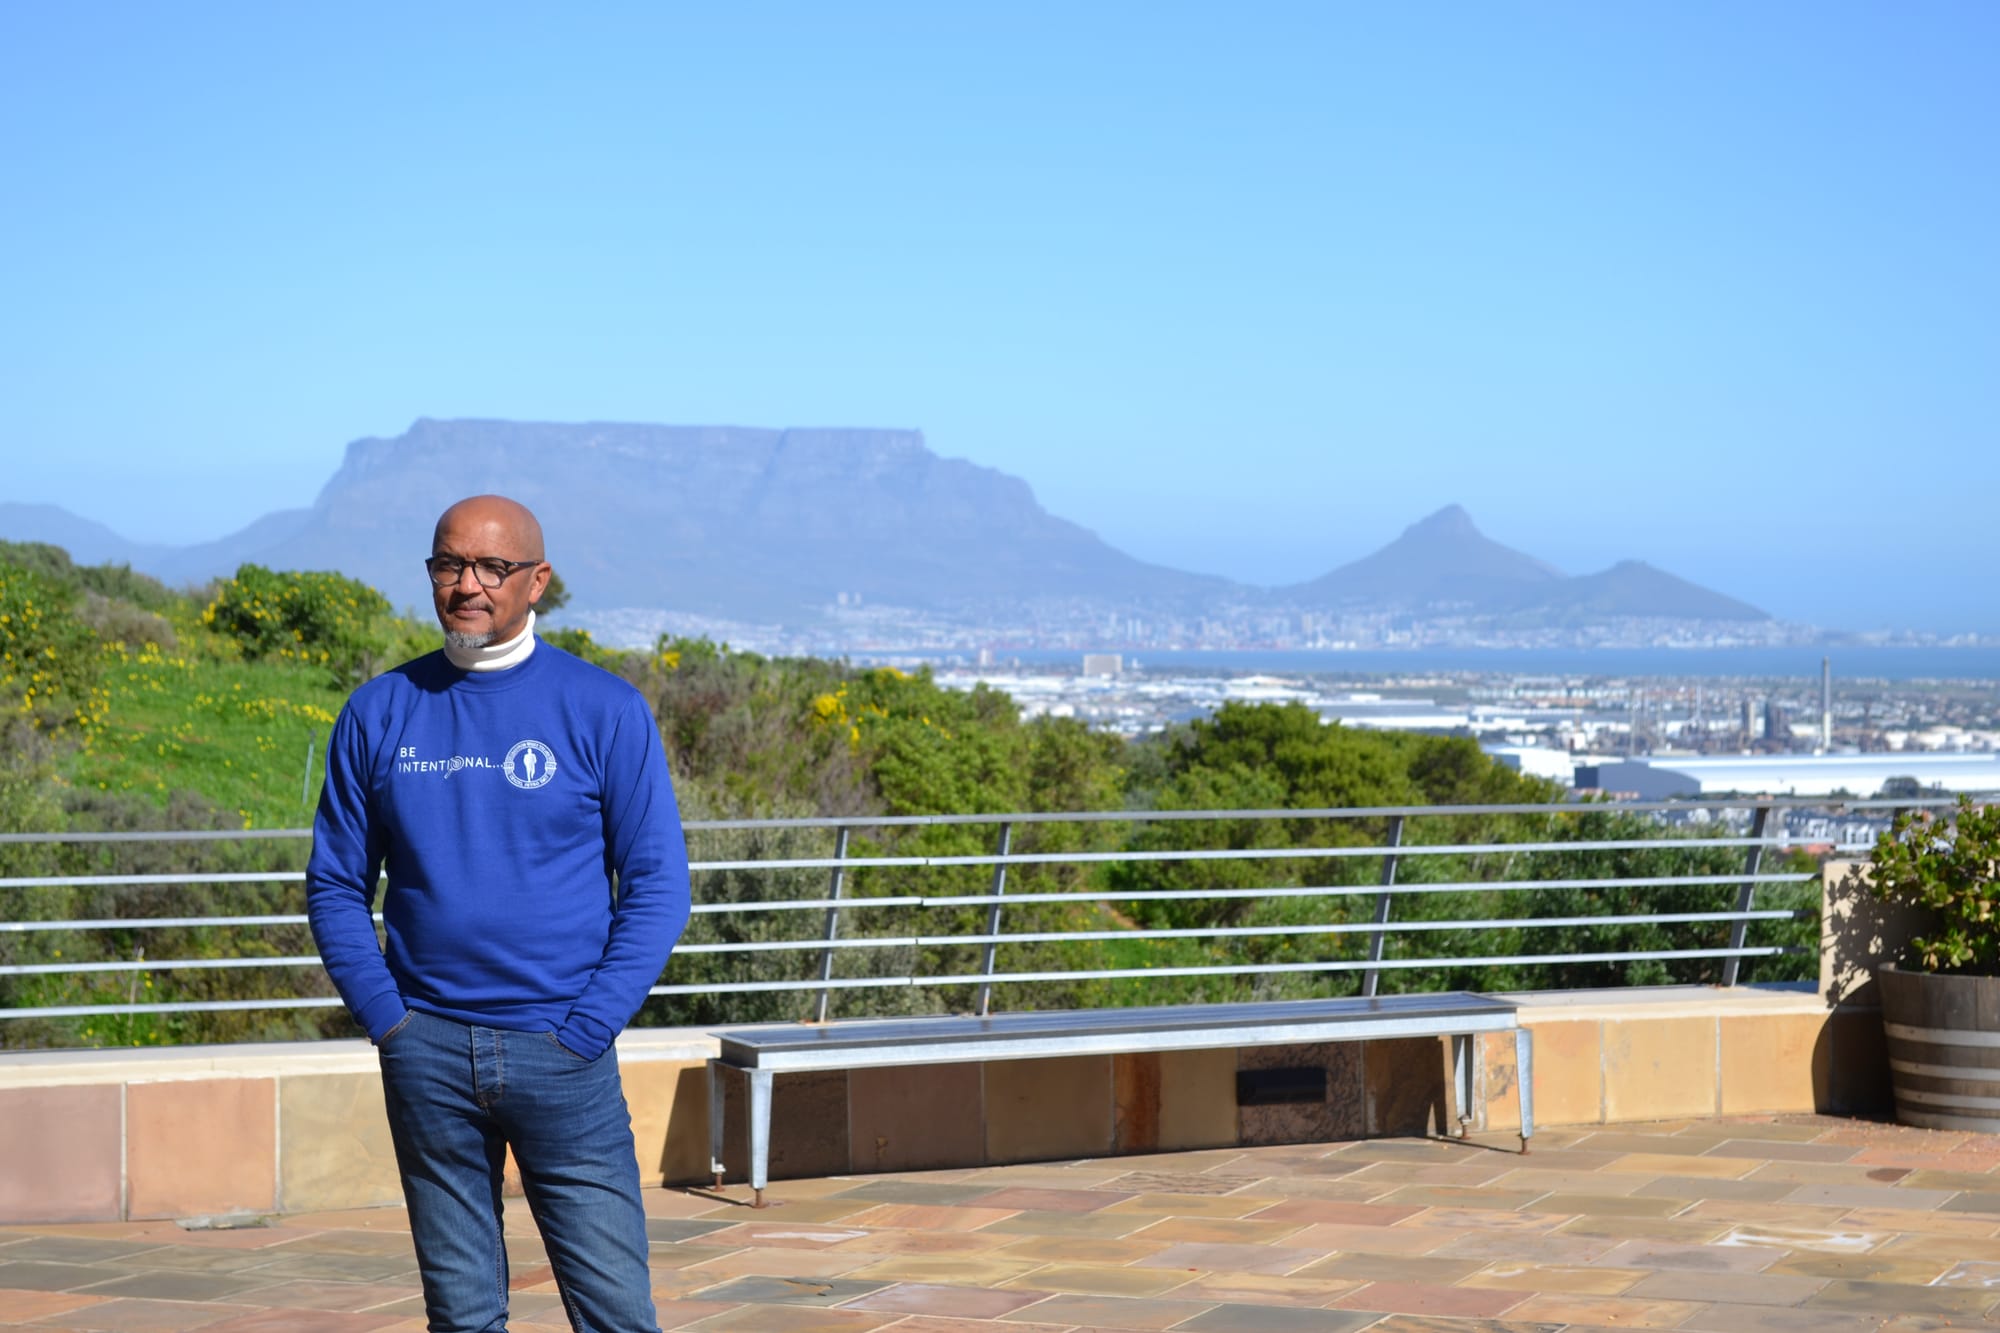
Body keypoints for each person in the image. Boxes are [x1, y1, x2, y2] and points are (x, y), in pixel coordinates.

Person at [307, 494, 690, 1333]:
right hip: (428, 1050)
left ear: (537, 582)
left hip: (564, 1050)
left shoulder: (603, 708)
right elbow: (336, 882)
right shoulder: (379, 710)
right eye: (448, 564)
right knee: (464, 1316)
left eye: (492, 567)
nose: (467, 585)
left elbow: (659, 882)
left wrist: (589, 1024)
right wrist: (389, 1020)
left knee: (617, 1313)